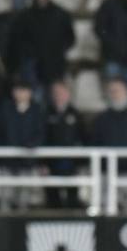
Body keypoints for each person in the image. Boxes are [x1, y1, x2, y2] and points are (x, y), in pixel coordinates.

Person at [6, 0, 74, 94]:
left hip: (55, 65)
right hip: (33, 66)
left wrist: (58, 50)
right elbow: (17, 40)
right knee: (36, 99)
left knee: (55, 100)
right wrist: (29, 54)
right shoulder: (24, 16)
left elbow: (70, 38)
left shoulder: (61, 14)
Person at [89, 78, 127, 209]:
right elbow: (95, 142)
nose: (115, 94)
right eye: (112, 91)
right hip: (106, 171)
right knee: (105, 205)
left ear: (126, 92)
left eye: (118, 90)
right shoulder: (100, 119)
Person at [0, 79, 45, 207]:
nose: (21, 94)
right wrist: (2, 150)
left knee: (24, 197)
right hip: (7, 160)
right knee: (5, 196)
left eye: (24, 90)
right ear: (13, 92)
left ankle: (21, 223)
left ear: (30, 93)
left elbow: (41, 133)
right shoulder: (5, 109)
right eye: (18, 90)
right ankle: (3, 224)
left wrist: (31, 145)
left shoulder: (37, 110)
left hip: (27, 161)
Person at [42, 80, 84, 208]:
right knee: (52, 195)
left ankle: (74, 219)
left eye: (62, 92)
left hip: (71, 162)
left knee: (72, 194)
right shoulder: (46, 114)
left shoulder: (76, 114)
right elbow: (42, 138)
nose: (59, 95)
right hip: (51, 161)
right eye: (56, 93)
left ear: (68, 94)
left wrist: (81, 163)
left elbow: (82, 138)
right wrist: (42, 162)